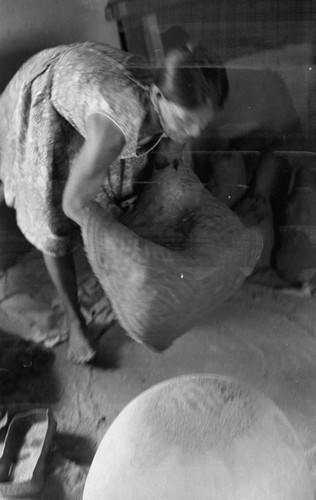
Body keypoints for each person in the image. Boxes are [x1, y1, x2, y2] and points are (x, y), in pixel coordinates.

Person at [0, 41, 229, 364]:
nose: (193, 131)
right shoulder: (115, 125)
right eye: (186, 121)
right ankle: (76, 322)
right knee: (50, 216)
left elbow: (166, 162)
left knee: (120, 189)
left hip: (88, 80)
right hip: (43, 94)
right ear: (158, 98)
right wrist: (120, 246)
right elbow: (72, 205)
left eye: (201, 124)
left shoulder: (173, 95)